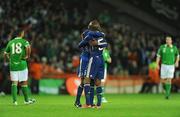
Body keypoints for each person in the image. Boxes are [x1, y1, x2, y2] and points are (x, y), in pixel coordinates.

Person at [78, 20, 108, 108]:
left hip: (94, 58)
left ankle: (88, 104)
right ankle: (98, 105)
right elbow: (105, 43)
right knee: (98, 82)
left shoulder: (90, 35)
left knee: (86, 80)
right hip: (101, 59)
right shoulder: (102, 37)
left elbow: (86, 43)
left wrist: (84, 40)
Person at [4, 29, 35, 105]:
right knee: (24, 82)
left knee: (14, 83)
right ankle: (26, 100)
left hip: (13, 65)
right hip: (22, 64)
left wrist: (9, 59)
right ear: (21, 34)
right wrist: (27, 56)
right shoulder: (24, 41)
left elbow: (5, 53)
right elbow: (28, 48)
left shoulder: (10, 42)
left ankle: (14, 101)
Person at [74, 29, 90, 108]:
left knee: (88, 81)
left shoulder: (90, 42)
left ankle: (88, 101)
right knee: (83, 81)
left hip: (90, 60)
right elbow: (79, 45)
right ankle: (78, 101)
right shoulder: (85, 42)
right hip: (84, 61)